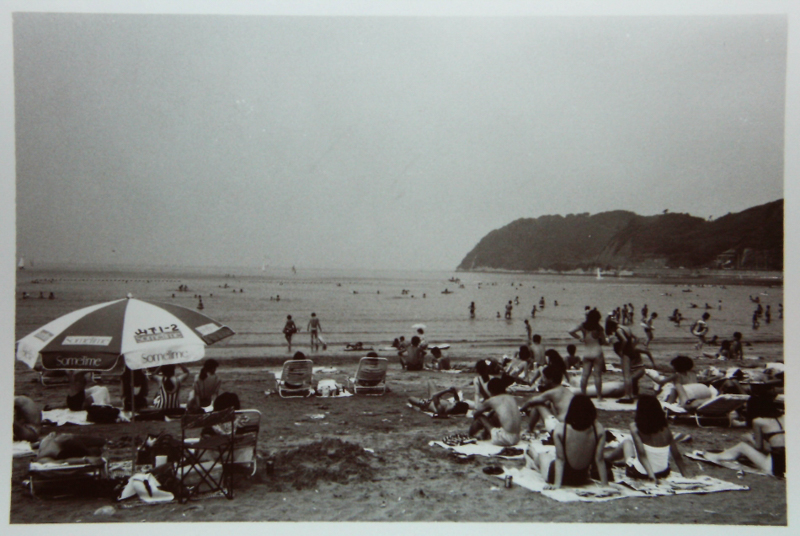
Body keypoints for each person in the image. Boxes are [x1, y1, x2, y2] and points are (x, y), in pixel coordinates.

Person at [525, 395, 608, 489]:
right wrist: (605, 485)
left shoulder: (561, 429)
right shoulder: (598, 430)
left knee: (542, 456)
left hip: (555, 475)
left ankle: (531, 454)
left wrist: (557, 485)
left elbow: (560, 459)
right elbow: (599, 460)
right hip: (581, 478)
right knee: (548, 456)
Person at [604, 395, 691, 483]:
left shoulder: (635, 427)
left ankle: (608, 458)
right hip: (663, 472)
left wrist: (651, 476)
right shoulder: (665, 429)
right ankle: (615, 459)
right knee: (632, 447)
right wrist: (686, 475)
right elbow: (677, 456)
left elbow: (642, 454)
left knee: (627, 442)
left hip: (641, 472)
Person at [703, 395, 785, 478]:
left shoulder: (758, 421)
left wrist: (749, 438)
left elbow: (759, 447)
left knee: (742, 446)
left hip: (775, 467)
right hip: (790, 463)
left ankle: (717, 456)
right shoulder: (784, 418)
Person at [520, 362, 574, 433]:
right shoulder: (566, 390)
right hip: (572, 427)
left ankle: (529, 430)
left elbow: (531, 401)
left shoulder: (552, 392)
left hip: (560, 429)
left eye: (544, 378)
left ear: (550, 380)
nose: (543, 380)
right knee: (547, 404)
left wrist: (521, 409)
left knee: (537, 405)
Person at [469, 378, 522, 446]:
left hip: (504, 439)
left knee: (480, 417)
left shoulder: (492, 400)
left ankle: (470, 435)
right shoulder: (511, 398)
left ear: (491, 391)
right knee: (494, 415)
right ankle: (485, 435)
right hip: (517, 438)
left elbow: (476, 413)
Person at [647, 355, 713, 409]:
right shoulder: (692, 373)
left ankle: (669, 404)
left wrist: (648, 374)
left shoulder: (676, 375)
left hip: (685, 396)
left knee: (673, 388)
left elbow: (660, 382)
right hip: (695, 393)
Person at [569, 309, 607, 402]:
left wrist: (580, 338)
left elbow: (570, 331)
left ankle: (583, 396)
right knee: (597, 375)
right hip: (597, 352)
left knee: (585, 375)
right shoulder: (599, 328)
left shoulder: (583, 326)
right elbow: (604, 341)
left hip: (586, 352)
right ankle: (599, 397)